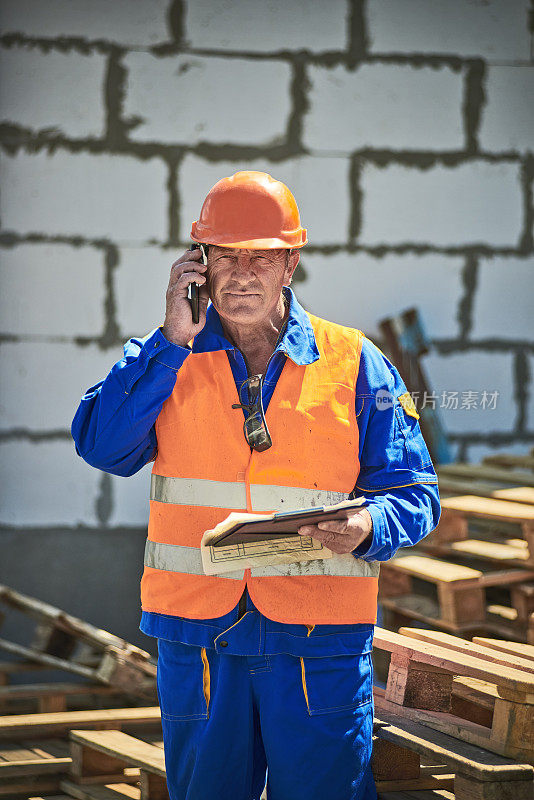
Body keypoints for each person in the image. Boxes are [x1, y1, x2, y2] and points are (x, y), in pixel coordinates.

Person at [72, 170, 440, 800]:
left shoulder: (354, 361)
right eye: (225, 256)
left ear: (290, 264)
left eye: (261, 257)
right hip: (201, 640)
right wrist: (170, 341)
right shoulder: (167, 357)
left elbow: (417, 494)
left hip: (317, 643)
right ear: (199, 263)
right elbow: (103, 447)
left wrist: (370, 526)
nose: (241, 275)